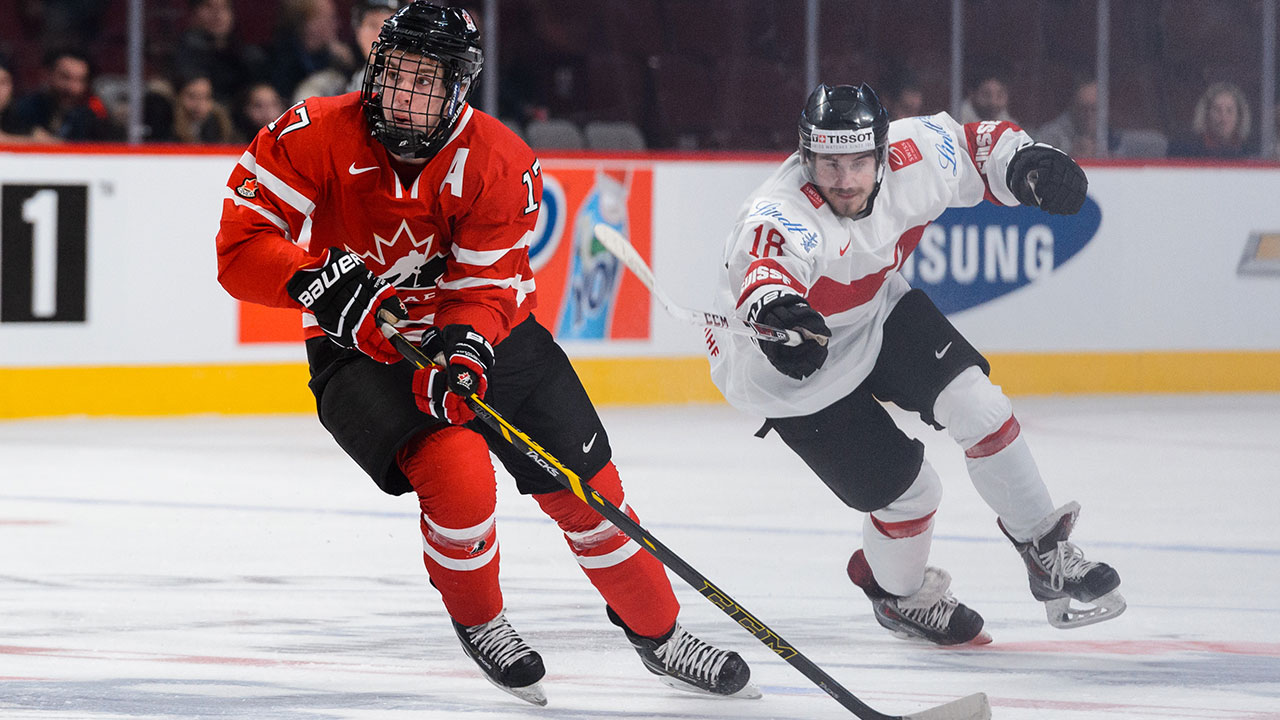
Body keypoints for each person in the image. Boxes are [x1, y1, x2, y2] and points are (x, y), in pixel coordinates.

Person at [215, 1, 756, 705]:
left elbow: (486, 285)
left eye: (426, 82)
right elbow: (239, 247)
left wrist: (465, 354)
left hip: (489, 334)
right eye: (396, 76)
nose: (405, 97)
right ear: (374, 69)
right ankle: (483, 621)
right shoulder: (311, 133)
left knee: (588, 493)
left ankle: (659, 634)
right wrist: (309, 278)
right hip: (361, 349)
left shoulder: (499, 159)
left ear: (458, 88)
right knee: (462, 479)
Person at [706, 83, 1125, 646]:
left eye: (858, 161)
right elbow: (763, 271)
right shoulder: (778, 212)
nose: (846, 180)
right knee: (913, 493)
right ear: (807, 158)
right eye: (829, 163)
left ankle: (1045, 550)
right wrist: (777, 317)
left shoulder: (915, 155)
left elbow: (976, 145)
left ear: (882, 153)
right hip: (787, 375)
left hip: (875, 313)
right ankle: (900, 597)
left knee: (980, 405)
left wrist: (1026, 162)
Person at [10, 48, 121, 141]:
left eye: (80, 80)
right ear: (47, 75)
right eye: (65, 78)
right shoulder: (21, 111)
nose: (73, 88)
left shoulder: (88, 117)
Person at [1168, 81, 1257, 158]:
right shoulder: (1187, 151)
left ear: (1239, 117)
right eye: (1217, 110)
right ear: (1206, 115)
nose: (1223, 118)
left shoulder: (1250, 153)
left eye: (1229, 111)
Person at [1036, 80, 1116, 158]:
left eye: (1094, 108)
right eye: (1083, 108)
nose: (1089, 114)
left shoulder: (1119, 139)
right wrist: (1069, 158)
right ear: (1073, 107)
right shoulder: (1051, 137)